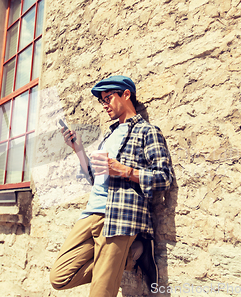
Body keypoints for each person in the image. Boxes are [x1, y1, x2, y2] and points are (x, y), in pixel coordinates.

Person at [50, 75, 173, 297]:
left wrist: (124, 171)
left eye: (108, 98)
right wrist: (77, 148)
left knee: (100, 293)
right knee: (59, 276)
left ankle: (124, 254)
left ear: (126, 94)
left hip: (119, 216)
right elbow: (96, 177)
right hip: (91, 213)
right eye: (102, 101)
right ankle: (135, 254)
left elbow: (164, 177)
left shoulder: (147, 131)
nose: (105, 105)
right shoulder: (109, 135)